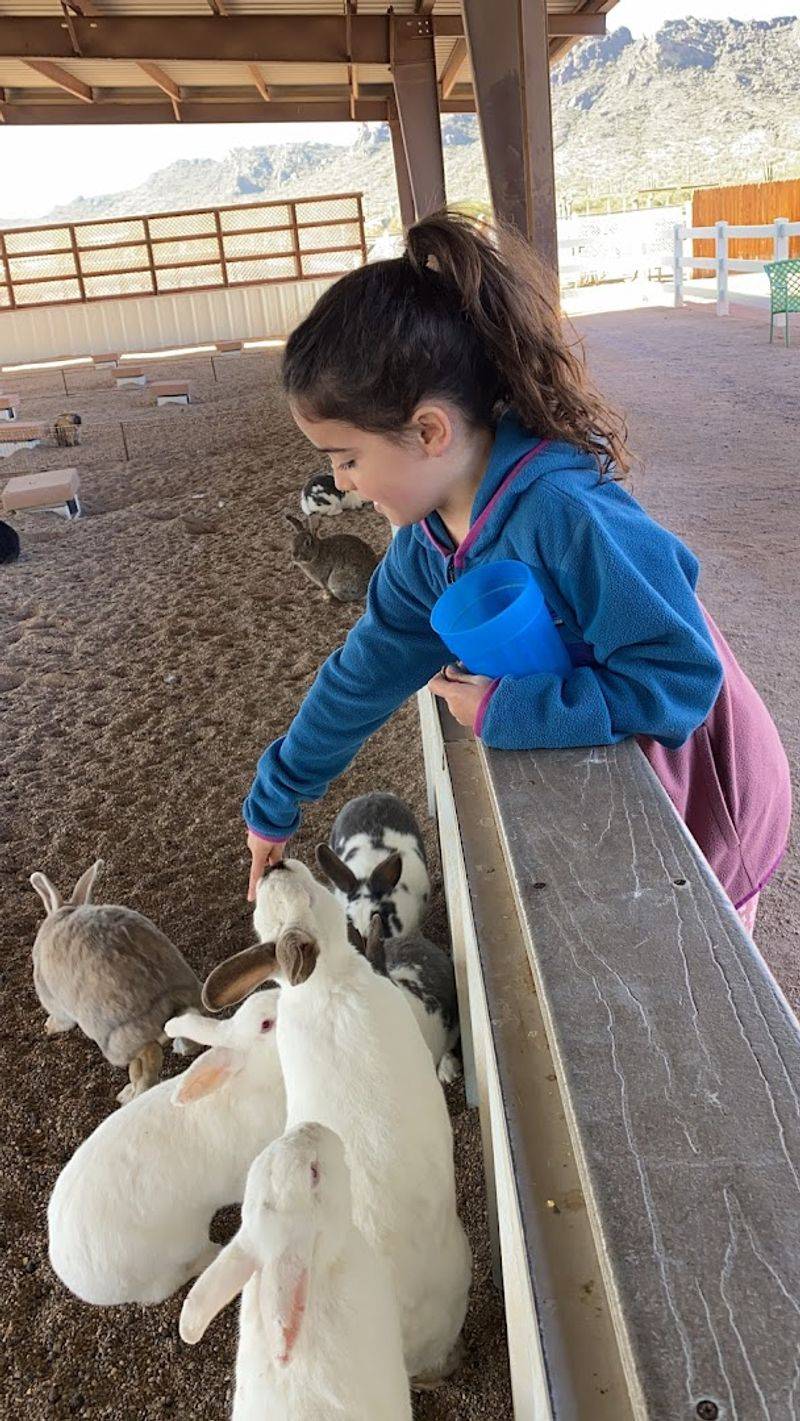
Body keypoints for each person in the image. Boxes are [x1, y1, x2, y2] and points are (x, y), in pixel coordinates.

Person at [244, 210, 791, 939]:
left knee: (701, 957)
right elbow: (366, 669)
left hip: (710, 793)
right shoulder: (424, 547)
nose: (345, 483)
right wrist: (276, 796)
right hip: (620, 768)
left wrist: (508, 710)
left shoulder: (568, 517)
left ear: (430, 431)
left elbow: (681, 679)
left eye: (347, 458)